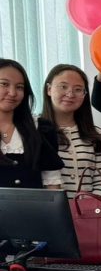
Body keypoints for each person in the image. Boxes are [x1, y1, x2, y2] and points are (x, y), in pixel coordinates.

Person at [41, 64, 101, 197]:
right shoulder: (36, 130)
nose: (70, 94)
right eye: (63, 87)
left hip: (89, 209)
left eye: (78, 89)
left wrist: (90, 207)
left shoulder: (97, 134)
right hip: (49, 208)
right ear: (49, 89)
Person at [0, 59, 63, 188]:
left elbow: (52, 182)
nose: (12, 93)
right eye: (4, 84)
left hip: (33, 202)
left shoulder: (40, 128)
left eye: (19, 87)